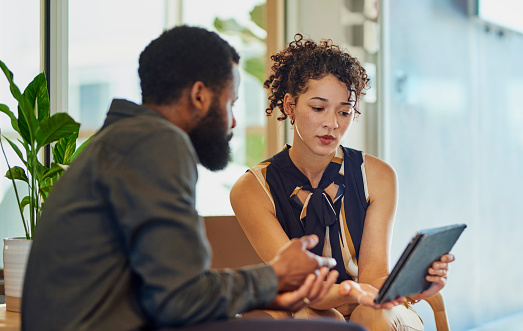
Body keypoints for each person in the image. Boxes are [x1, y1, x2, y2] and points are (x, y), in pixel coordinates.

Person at [21, 26, 371, 331]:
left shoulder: (120, 142)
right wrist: (274, 276)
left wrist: (270, 289)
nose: (233, 122)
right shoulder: (158, 143)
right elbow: (179, 297)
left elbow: (166, 288)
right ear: (200, 96)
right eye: (230, 104)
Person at [230, 34, 455, 330]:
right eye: (318, 107)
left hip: (369, 307)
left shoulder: (378, 176)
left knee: (370, 316)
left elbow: (373, 276)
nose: (332, 124)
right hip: (303, 305)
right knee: (322, 319)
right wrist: (349, 293)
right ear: (289, 106)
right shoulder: (251, 190)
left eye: (344, 111)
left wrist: (411, 283)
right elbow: (297, 284)